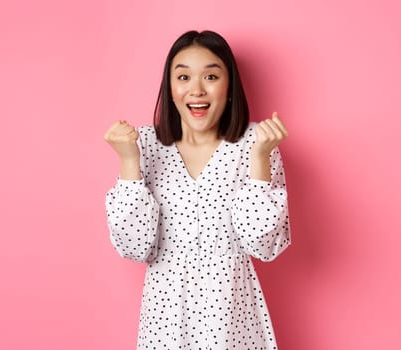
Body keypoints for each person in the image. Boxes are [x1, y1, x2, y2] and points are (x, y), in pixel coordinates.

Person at [103, 30, 291, 349]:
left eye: (211, 76)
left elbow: (262, 245)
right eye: (184, 77)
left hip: (232, 317)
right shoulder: (144, 144)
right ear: (171, 88)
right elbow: (135, 247)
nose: (197, 89)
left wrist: (260, 158)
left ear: (229, 86)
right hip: (165, 318)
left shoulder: (257, 142)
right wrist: (129, 163)